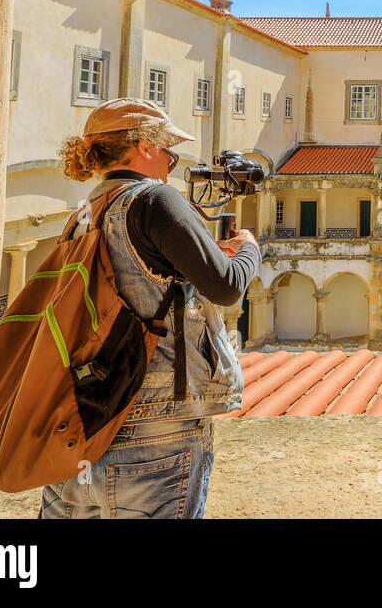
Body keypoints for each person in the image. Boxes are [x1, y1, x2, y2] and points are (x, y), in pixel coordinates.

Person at [38, 97, 260, 518]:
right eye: (169, 151)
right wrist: (248, 250)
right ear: (144, 147)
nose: (172, 161)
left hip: (82, 419)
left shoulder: (84, 213)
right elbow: (227, 286)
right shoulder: (155, 200)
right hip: (155, 423)